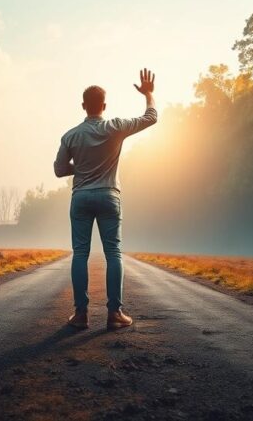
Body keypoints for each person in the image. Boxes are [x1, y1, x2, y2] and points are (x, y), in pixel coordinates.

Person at [54, 69, 158, 330]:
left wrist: (82, 166)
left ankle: (80, 315)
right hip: (109, 195)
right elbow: (151, 117)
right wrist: (148, 94)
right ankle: (114, 315)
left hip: (81, 197)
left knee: (80, 253)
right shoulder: (116, 127)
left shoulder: (70, 136)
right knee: (113, 253)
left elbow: (58, 170)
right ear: (104, 106)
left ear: (83, 106)